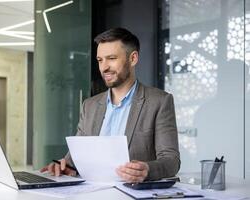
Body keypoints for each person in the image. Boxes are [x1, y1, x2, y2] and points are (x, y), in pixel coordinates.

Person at [41, 28, 180, 182]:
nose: (104, 67)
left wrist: (148, 170)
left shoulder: (159, 101)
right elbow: (73, 160)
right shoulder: (89, 106)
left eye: (111, 58)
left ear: (133, 58)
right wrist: (63, 166)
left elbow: (171, 160)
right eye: (100, 60)